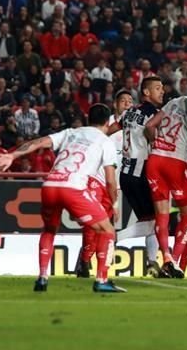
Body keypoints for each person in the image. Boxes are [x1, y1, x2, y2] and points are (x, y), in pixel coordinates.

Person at [0, 104, 125, 293]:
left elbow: (38, 142)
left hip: (50, 185)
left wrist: (13, 155)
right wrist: (115, 203)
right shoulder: (106, 142)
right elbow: (111, 181)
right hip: (72, 188)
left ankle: (42, 277)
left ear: (88, 119)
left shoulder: (71, 132)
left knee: (49, 230)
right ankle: (101, 280)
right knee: (107, 230)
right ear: (107, 122)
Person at [109, 77, 164, 277]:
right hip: (143, 173)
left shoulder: (129, 113)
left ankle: (152, 263)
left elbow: (110, 130)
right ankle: (116, 237)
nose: (162, 92)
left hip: (126, 174)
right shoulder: (156, 115)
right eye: (157, 88)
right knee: (157, 220)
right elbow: (154, 136)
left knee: (149, 219)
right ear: (146, 92)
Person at [75, 90, 132, 278]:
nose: (127, 104)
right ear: (116, 104)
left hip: (115, 181)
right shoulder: (105, 124)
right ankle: (85, 260)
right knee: (94, 221)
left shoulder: (134, 127)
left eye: (130, 101)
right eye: (123, 101)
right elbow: (103, 134)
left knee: (105, 224)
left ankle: (88, 261)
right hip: (98, 177)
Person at [142, 95, 187, 278]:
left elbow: (149, 126)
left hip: (155, 160)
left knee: (162, 214)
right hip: (175, 162)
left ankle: (166, 257)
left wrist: (154, 144)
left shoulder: (174, 101)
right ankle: (173, 260)